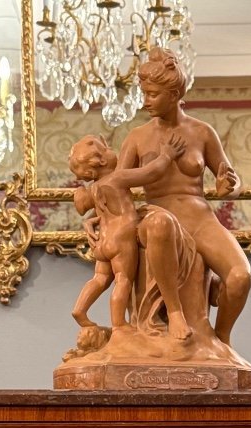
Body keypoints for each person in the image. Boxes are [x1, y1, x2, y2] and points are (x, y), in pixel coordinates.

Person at [117, 47, 251, 346]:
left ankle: (222, 339)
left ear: (174, 93)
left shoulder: (202, 133)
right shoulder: (137, 137)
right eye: (144, 92)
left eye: (153, 94)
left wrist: (227, 183)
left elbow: (232, 178)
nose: (146, 101)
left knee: (240, 277)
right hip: (157, 215)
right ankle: (175, 312)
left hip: (199, 217)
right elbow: (117, 184)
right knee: (159, 224)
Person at [68, 131, 194, 340]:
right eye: (107, 150)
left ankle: (80, 310)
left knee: (99, 279)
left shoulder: (96, 188)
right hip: (121, 238)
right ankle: (119, 324)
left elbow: (92, 209)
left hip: (103, 240)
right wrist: (167, 155)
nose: (111, 150)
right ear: (100, 161)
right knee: (123, 279)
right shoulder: (118, 177)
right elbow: (150, 173)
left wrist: (88, 219)